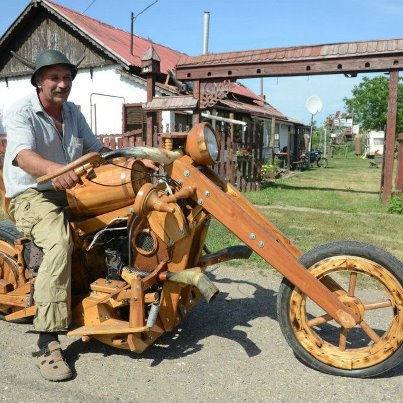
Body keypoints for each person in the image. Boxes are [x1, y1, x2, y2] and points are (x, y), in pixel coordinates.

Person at [3, 49, 156, 381]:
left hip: (71, 190)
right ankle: (47, 341)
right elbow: (23, 156)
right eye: (54, 77)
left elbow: (97, 150)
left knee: (127, 211)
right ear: (39, 82)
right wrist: (54, 170)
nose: (62, 84)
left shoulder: (72, 113)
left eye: (67, 78)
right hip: (31, 194)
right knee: (60, 242)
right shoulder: (21, 112)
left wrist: (137, 162)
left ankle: (122, 284)